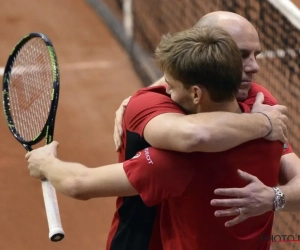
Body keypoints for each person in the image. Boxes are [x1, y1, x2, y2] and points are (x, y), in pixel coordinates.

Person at [27, 25, 285, 250]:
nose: (165, 92)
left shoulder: (175, 162)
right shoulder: (270, 125)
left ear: (196, 94)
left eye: (170, 86)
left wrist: (45, 163)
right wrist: (275, 197)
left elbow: (78, 183)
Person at [114, 11, 300, 228]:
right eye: (240, 55)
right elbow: (193, 135)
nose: (254, 66)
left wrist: (273, 197)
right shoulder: (153, 102)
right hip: (143, 237)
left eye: (255, 55)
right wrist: (264, 123)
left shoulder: (257, 99)